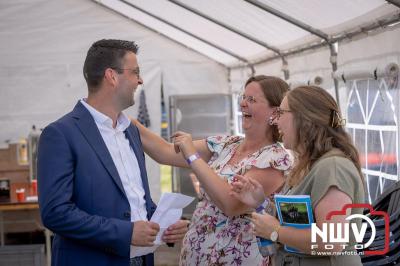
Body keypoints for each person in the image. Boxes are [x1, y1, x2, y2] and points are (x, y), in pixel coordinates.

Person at [37, 39, 188, 266]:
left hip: (141, 259)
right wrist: (125, 232)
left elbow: (134, 199)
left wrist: (164, 224)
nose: (140, 80)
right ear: (112, 76)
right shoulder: (60, 134)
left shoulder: (131, 130)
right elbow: (56, 213)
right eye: (135, 72)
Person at [133, 75, 293, 265]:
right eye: (243, 97)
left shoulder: (275, 159)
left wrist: (193, 156)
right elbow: (165, 152)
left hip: (236, 259)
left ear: (274, 112)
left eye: (252, 100)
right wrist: (126, 120)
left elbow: (230, 204)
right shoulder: (226, 144)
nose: (243, 103)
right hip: (196, 255)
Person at [231, 85, 365, 266]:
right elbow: (299, 221)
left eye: (281, 113)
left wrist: (275, 231)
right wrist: (260, 202)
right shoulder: (309, 165)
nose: (275, 121)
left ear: (304, 118)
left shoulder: (332, 166)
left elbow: (332, 241)